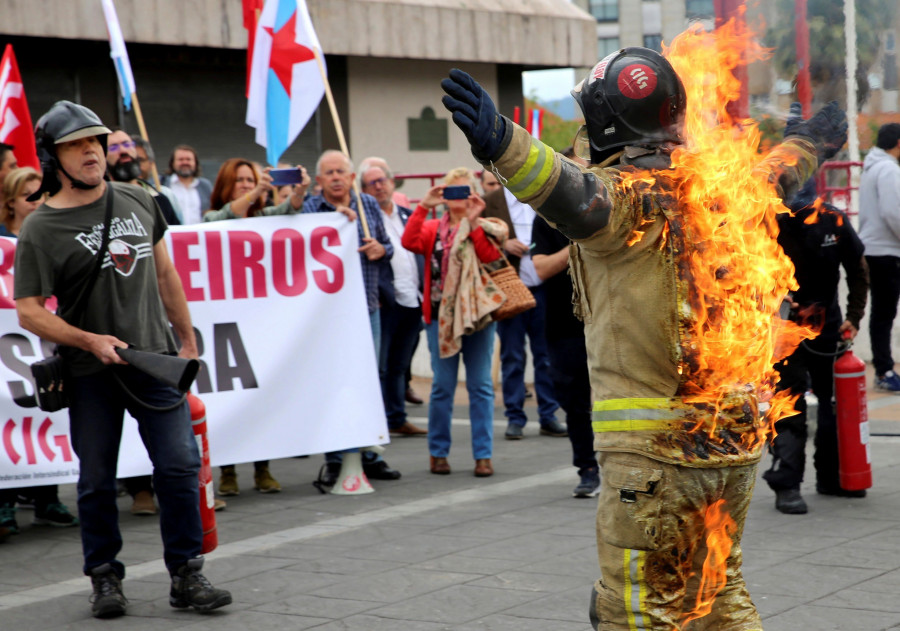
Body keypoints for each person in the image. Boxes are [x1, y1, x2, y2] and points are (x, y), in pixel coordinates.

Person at [441, 47, 845, 628]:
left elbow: (572, 195)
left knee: (638, 612)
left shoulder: (630, 199)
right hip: (731, 446)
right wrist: (809, 144)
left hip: (654, 459)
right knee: (721, 597)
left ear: (604, 124)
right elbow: (773, 175)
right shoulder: (719, 189)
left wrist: (501, 141)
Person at [14, 101, 231, 618]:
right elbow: (28, 312)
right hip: (90, 372)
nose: (91, 151)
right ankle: (105, 578)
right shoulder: (40, 228)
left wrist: (188, 341)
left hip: (155, 361)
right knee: (95, 480)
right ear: (54, 157)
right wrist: (88, 340)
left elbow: (165, 274)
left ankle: (186, 574)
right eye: (76, 144)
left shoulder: (137, 198)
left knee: (180, 468)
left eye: (96, 141)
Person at [203, 158, 312, 495]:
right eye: (240, 181)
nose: (248, 186)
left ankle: (263, 468)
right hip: (226, 324)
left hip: (259, 323)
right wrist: (257, 194)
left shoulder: (264, 218)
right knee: (229, 399)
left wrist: (300, 192)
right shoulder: (212, 219)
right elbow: (227, 217)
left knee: (261, 395)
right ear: (225, 186)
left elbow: (290, 212)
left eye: (252, 180)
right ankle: (228, 473)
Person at [763, 171, 868, 514]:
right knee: (789, 405)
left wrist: (854, 315)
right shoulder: (771, 222)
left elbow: (857, 267)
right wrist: (774, 297)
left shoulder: (833, 220)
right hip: (785, 328)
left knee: (833, 405)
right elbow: (747, 273)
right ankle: (788, 484)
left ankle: (833, 475)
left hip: (829, 326)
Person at [303, 150, 402, 485]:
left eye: (340, 172)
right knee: (334, 382)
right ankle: (335, 459)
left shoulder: (368, 205)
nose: (335, 177)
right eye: (328, 173)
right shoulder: (310, 210)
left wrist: (380, 249)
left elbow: (387, 247)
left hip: (367, 307)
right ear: (319, 181)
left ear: (350, 178)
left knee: (368, 381)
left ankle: (369, 455)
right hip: (328, 315)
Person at [401, 168, 505, 477]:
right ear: (444, 194)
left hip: (478, 318)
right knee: (443, 388)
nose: (458, 198)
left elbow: (490, 258)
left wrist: (473, 221)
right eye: (452, 191)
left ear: (473, 194)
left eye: (464, 191)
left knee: (481, 386)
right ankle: (438, 453)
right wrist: (424, 206)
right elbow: (409, 241)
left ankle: (483, 456)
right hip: (440, 320)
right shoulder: (433, 227)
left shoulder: (484, 225)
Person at [0, 167, 81, 537]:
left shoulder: (52, 236)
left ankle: (47, 498)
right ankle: (4, 501)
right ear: (11, 202)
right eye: (30, 196)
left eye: (42, 195)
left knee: (49, 406)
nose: (38, 203)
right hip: (8, 346)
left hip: (44, 340)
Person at [482, 183, 565, 440]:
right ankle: (515, 417)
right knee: (513, 357)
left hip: (543, 288)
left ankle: (548, 415)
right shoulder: (490, 201)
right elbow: (477, 242)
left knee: (546, 356)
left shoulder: (542, 194)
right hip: (509, 288)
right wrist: (504, 243)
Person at [532, 211, 599, 498]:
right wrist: (576, 245)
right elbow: (541, 268)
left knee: (621, 398)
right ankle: (587, 469)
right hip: (564, 325)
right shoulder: (547, 219)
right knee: (574, 400)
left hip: (608, 322)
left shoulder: (603, 214)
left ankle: (628, 464)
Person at [360, 162, 427, 437]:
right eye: (372, 182)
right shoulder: (364, 218)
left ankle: (397, 418)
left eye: (382, 180)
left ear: (391, 182)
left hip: (413, 300)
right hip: (384, 301)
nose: (379, 186)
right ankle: (378, 421)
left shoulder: (408, 215)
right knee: (382, 366)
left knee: (400, 366)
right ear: (364, 190)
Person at [858, 123, 900, 393]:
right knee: (884, 314)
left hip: (875, 250)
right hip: (885, 251)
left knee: (881, 313)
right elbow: (893, 211)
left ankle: (884, 368)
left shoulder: (873, 167)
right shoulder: (888, 169)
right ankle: (884, 370)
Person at [133, 136, 183, 222]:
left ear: (151, 163)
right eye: (131, 160)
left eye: (140, 160)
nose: (134, 166)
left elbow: (178, 232)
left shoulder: (165, 195)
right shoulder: (108, 196)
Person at [163, 145, 212, 225]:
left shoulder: (205, 186)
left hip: (198, 235)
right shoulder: (162, 184)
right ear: (172, 163)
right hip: (171, 235)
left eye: (188, 159)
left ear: (195, 163)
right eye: (180, 159)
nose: (185, 162)